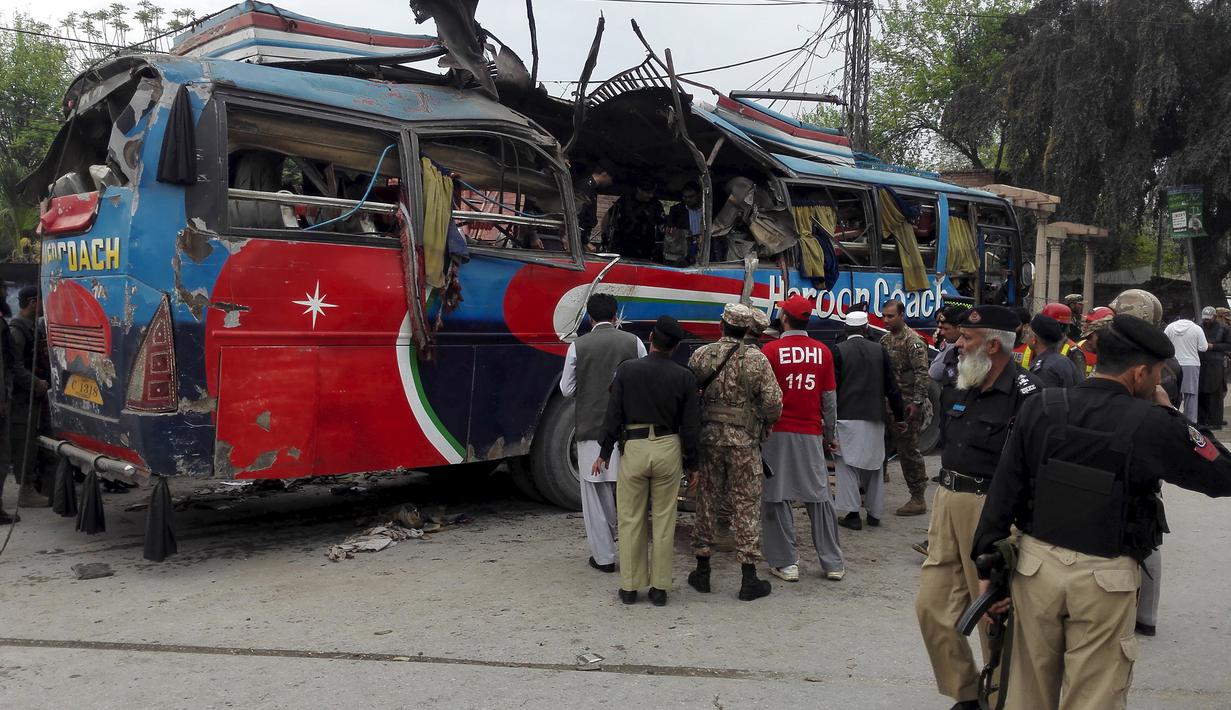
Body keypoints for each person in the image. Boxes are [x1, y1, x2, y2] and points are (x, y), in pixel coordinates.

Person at [972, 315, 1231, 709]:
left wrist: (986, 570)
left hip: (1036, 569)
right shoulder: (1153, 423)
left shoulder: (1042, 405)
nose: (1158, 383)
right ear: (1141, 372)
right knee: (1095, 694)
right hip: (1105, 578)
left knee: (1026, 689)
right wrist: (1174, 416)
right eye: (1157, 374)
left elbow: (1004, 489)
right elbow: (1222, 475)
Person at [914, 305, 1041, 710]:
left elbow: (1032, 470)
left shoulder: (1028, 397)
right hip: (947, 501)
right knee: (932, 607)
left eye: (967, 339)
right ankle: (966, 692)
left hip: (991, 508)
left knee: (992, 612)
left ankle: (998, 696)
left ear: (992, 344)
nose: (958, 343)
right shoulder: (965, 384)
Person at [594, 315, 700, 606]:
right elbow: (691, 427)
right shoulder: (685, 377)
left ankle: (629, 587)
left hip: (635, 447)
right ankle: (659, 589)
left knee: (630, 519)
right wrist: (693, 465)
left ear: (651, 338)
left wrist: (604, 452)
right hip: (668, 448)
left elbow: (612, 414)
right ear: (676, 346)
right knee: (664, 520)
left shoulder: (626, 371)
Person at [687, 303, 783, 601]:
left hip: (709, 438)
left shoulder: (701, 355)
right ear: (747, 330)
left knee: (707, 500)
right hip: (743, 441)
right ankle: (748, 577)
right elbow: (773, 403)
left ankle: (702, 570)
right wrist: (764, 423)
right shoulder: (757, 360)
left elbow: (688, 394)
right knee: (746, 504)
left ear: (722, 326)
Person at [560, 293, 647, 574]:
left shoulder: (578, 346)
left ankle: (604, 557)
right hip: (628, 430)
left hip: (591, 430)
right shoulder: (633, 342)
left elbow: (566, 389)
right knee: (627, 491)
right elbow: (644, 377)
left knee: (596, 493)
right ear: (615, 316)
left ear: (589, 317)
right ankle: (633, 555)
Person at [759, 295, 843, 581]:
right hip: (811, 432)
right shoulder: (823, 352)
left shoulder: (770, 351)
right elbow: (829, 399)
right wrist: (830, 436)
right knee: (819, 497)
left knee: (776, 496)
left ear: (784, 318)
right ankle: (832, 563)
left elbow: (764, 398)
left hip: (777, 433)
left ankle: (786, 563)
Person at [833, 310, 906, 531]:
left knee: (846, 466)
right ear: (866, 329)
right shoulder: (879, 350)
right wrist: (899, 416)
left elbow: (832, 388)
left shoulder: (838, 351)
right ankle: (874, 514)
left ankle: (852, 515)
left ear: (846, 330)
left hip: (846, 417)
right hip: (875, 417)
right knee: (874, 466)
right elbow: (892, 388)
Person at [879, 299, 930, 516]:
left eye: (890, 316)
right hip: (889, 404)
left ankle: (918, 497)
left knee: (908, 451)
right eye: (884, 316)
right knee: (881, 445)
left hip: (908, 405)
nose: (886, 320)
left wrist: (917, 403)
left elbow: (922, 374)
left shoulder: (913, 342)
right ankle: (874, 487)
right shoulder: (884, 340)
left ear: (901, 315)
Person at [10, 286, 50, 508]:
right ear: (33, 302)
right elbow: (14, 366)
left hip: (31, 396)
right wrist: (35, 383)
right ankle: (25, 491)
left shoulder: (32, 327)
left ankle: (37, 485)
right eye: (42, 301)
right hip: (20, 398)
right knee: (23, 443)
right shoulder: (18, 331)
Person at [602, 178, 665, 261]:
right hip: (624, 244)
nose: (651, 195)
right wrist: (604, 234)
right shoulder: (625, 200)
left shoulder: (656, 204)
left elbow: (662, 225)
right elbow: (609, 215)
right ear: (639, 190)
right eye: (648, 193)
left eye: (652, 193)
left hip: (645, 246)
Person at [1163, 315, 1207, 422]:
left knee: (1171, 393)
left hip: (1172, 364)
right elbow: (1203, 347)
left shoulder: (1170, 327)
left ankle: (1170, 418)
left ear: (1178, 318)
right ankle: (1190, 422)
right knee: (1190, 395)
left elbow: (1163, 344)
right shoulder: (1197, 329)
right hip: (1191, 364)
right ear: (1192, 318)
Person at [1028, 313, 1082, 388]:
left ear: (1034, 339)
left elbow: (1045, 398)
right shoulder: (1066, 361)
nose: (1026, 337)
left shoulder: (1044, 370)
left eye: (1028, 333)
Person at [1198, 306, 1231, 427]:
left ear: (1214, 317)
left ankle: (1215, 421)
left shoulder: (1224, 328)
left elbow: (1228, 345)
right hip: (1201, 362)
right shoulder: (1199, 327)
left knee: (1215, 392)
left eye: (1209, 319)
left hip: (1216, 363)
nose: (1206, 321)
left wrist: (1213, 346)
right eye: (1205, 319)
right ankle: (1202, 419)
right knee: (1201, 391)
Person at [574, 161, 615, 253]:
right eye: (611, 178)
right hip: (578, 237)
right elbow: (578, 214)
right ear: (604, 174)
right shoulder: (585, 186)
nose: (611, 182)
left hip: (583, 236)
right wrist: (584, 241)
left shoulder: (592, 189)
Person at [664, 181, 704, 266]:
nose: (688, 200)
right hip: (683, 248)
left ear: (699, 195)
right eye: (685, 197)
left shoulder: (707, 210)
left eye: (691, 196)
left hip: (704, 246)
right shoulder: (676, 210)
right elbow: (671, 234)